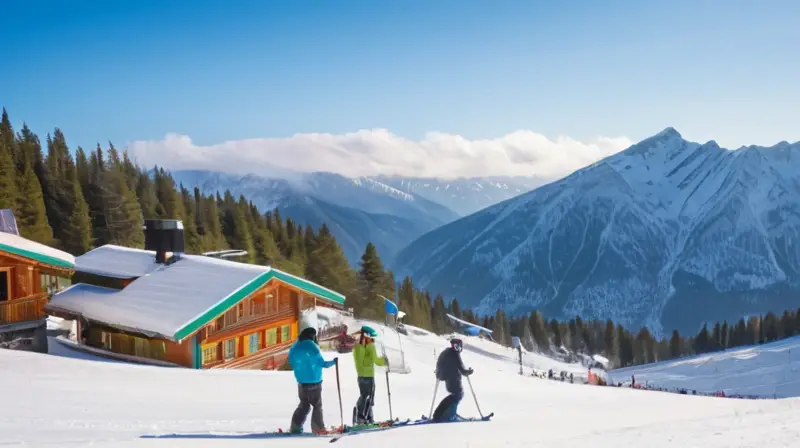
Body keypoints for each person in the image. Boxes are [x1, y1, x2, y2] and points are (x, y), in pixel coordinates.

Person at [288, 325, 338, 434]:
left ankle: (295, 427)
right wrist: (333, 362)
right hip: (314, 382)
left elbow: (291, 360)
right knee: (317, 405)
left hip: (301, 383)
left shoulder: (295, 348)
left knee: (304, 405)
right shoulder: (313, 348)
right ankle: (318, 428)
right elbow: (322, 363)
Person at [352, 325, 388, 424]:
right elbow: (375, 360)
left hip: (365, 375)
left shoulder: (362, 347)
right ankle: (361, 417)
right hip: (366, 376)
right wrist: (383, 360)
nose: (372, 340)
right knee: (366, 397)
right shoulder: (363, 347)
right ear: (366, 336)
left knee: (368, 397)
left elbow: (370, 360)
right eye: (370, 337)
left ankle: (368, 417)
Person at [432, 338, 473, 422]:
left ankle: (439, 413)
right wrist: (468, 372)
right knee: (458, 395)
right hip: (452, 378)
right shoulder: (454, 354)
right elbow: (462, 369)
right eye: (456, 346)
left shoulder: (446, 352)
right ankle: (449, 415)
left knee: (455, 395)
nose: (458, 348)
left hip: (447, 378)